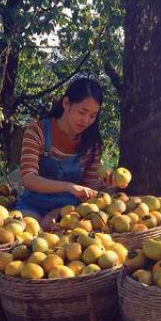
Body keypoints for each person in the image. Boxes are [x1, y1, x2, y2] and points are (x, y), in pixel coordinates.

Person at [16, 77, 110, 219]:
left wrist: (104, 184)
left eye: (92, 116)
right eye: (82, 112)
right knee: (23, 233)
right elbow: (28, 179)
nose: (86, 121)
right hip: (32, 206)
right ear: (66, 103)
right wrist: (68, 187)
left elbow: (89, 187)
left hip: (71, 211)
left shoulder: (92, 144)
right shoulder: (38, 131)